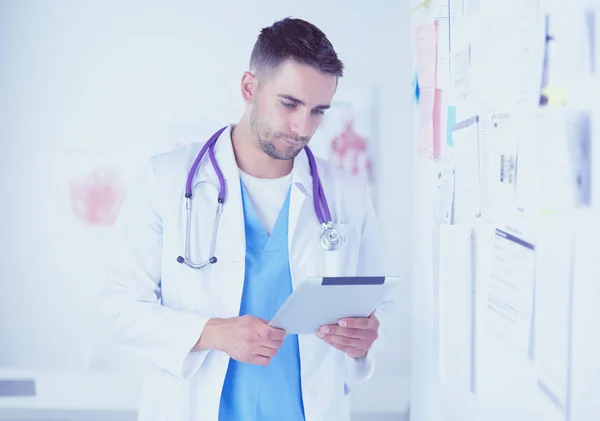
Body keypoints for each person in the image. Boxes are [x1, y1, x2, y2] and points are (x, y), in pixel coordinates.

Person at [99, 16, 394, 421]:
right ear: (249, 88)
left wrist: (365, 338)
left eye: (318, 112)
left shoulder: (347, 193)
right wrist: (212, 333)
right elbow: (120, 305)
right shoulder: (164, 179)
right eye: (289, 104)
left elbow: (380, 306)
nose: (301, 127)